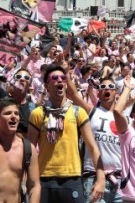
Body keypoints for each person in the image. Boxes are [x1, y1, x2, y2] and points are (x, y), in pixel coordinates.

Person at [27, 65, 105, 203]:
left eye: (63, 78)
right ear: (46, 86)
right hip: (44, 179)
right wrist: (27, 179)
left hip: (72, 178)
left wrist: (100, 178)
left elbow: (93, 147)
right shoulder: (38, 113)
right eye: (54, 78)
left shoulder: (78, 112)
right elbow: (30, 149)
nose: (60, 80)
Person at [67, 74, 123, 203]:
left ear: (115, 93)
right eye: (103, 87)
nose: (106, 89)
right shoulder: (91, 111)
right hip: (92, 177)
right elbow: (74, 95)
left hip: (118, 180)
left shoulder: (123, 119)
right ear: (98, 94)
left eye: (110, 87)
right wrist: (65, 72)